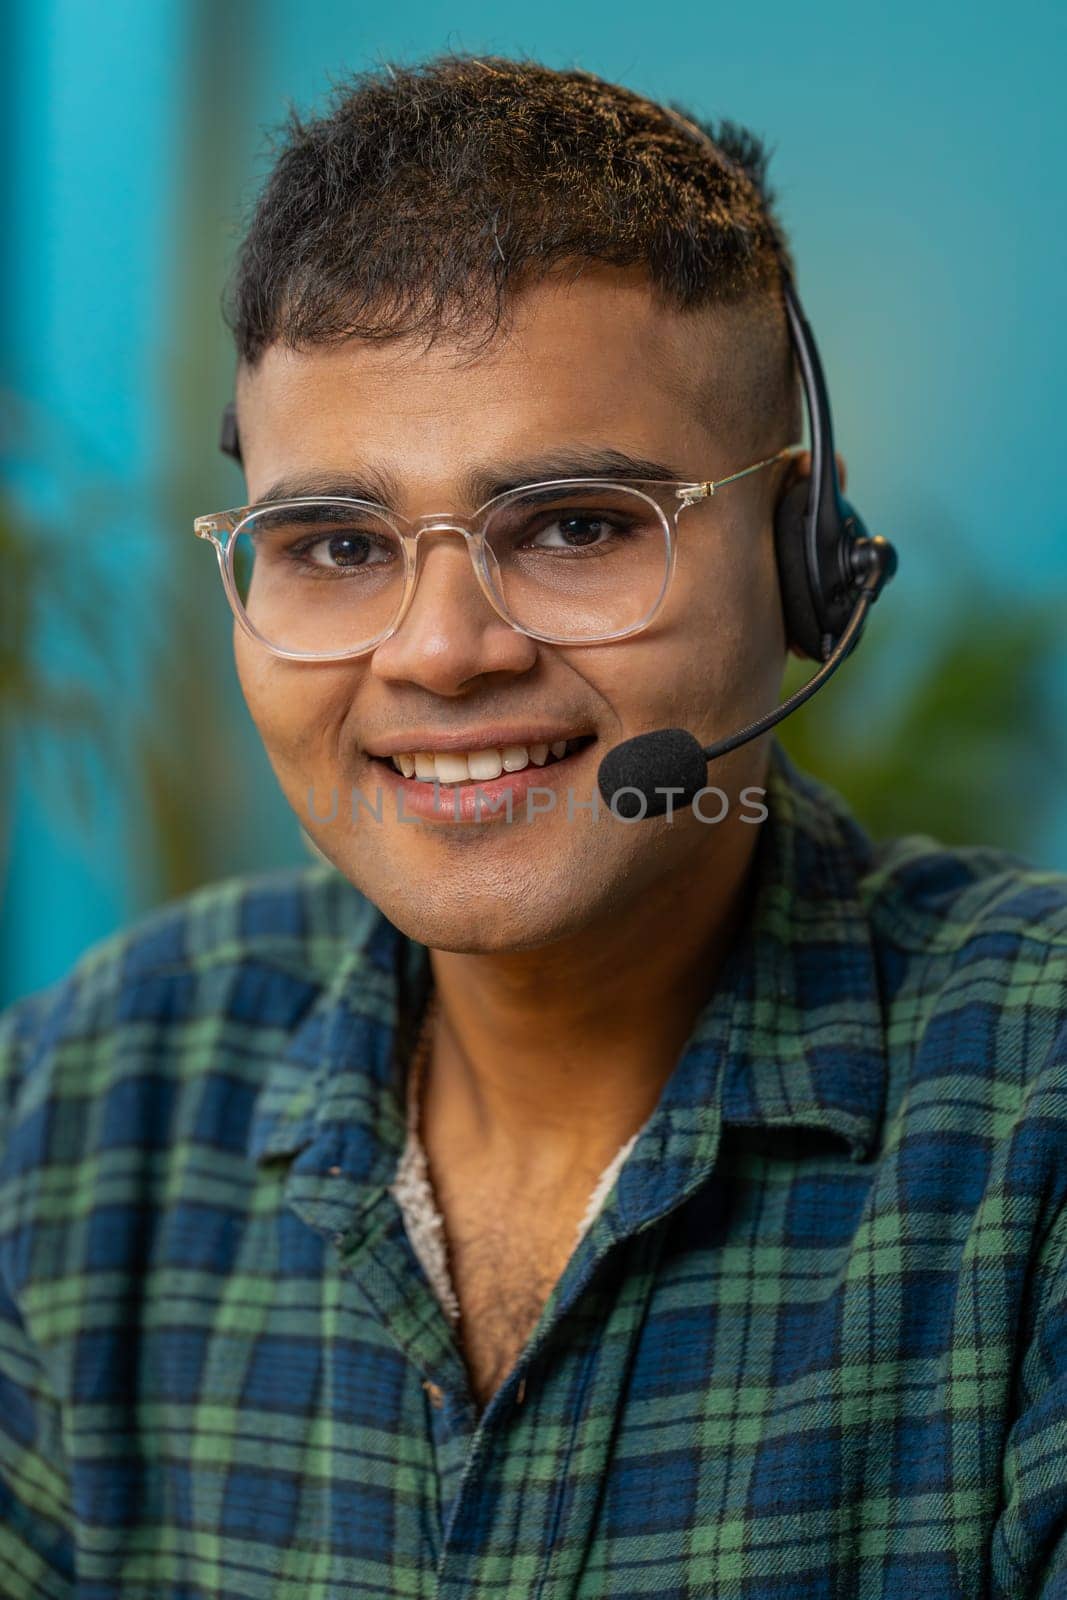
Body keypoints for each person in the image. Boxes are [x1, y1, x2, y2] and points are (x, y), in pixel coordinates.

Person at [1, 52, 1065, 1600]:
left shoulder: (1033, 1120)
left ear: (804, 557)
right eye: (336, 543)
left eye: (576, 526)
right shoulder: (84, 1106)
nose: (440, 652)